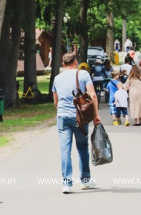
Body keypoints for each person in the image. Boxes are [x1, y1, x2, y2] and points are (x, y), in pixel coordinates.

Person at [52, 52, 100, 193]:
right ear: (75, 62)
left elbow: (55, 101)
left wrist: (62, 111)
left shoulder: (57, 78)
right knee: (82, 147)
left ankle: (66, 184)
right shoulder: (83, 74)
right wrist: (96, 114)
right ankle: (85, 180)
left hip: (62, 117)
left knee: (65, 150)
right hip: (80, 117)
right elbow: (92, 95)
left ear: (63, 64)